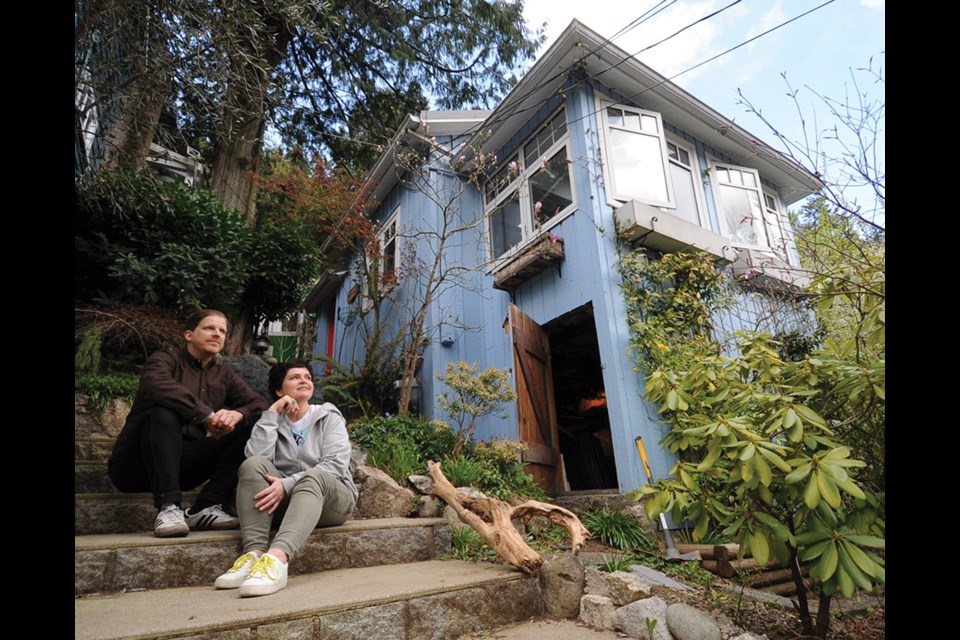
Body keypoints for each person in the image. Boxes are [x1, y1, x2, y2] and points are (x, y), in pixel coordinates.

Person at [108, 309, 269, 538]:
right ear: (188, 334)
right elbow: (156, 385)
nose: (217, 334)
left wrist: (238, 414)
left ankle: (205, 506)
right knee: (162, 410)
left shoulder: (224, 375)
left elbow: (259, 403)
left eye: (222, 331)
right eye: (209, 328)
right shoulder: (165, 359)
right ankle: (169, 507)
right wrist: (207, 415)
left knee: (252, 425)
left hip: (186, 467)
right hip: (135, 466)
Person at [214, 361, 358, 597]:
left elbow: (335, 467)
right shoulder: (271, 421)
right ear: (279, 391)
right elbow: (256, 462)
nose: (304, 380)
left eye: (308, 377)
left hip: (332, 502)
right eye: (295, 377)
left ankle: (277, 560)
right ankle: (255, 555)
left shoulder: (328, 416)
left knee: (315, 475)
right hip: (288, 505)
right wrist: (270, 415)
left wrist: (287, 483)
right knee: (252, 465)